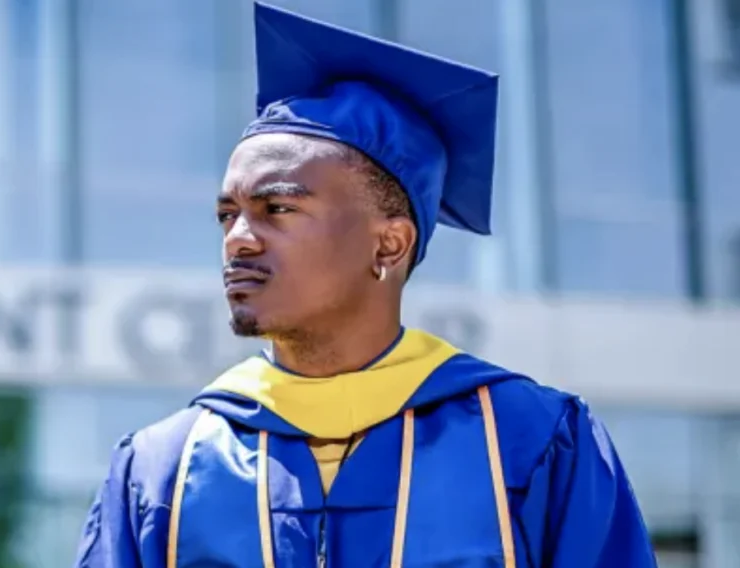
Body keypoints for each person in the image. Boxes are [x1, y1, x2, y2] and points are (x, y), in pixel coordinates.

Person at [73, 3, 657, 567]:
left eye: (277, 208)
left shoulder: (530, 443)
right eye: (228, 215)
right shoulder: (164, 471)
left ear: (389, 244)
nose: (239, 239)